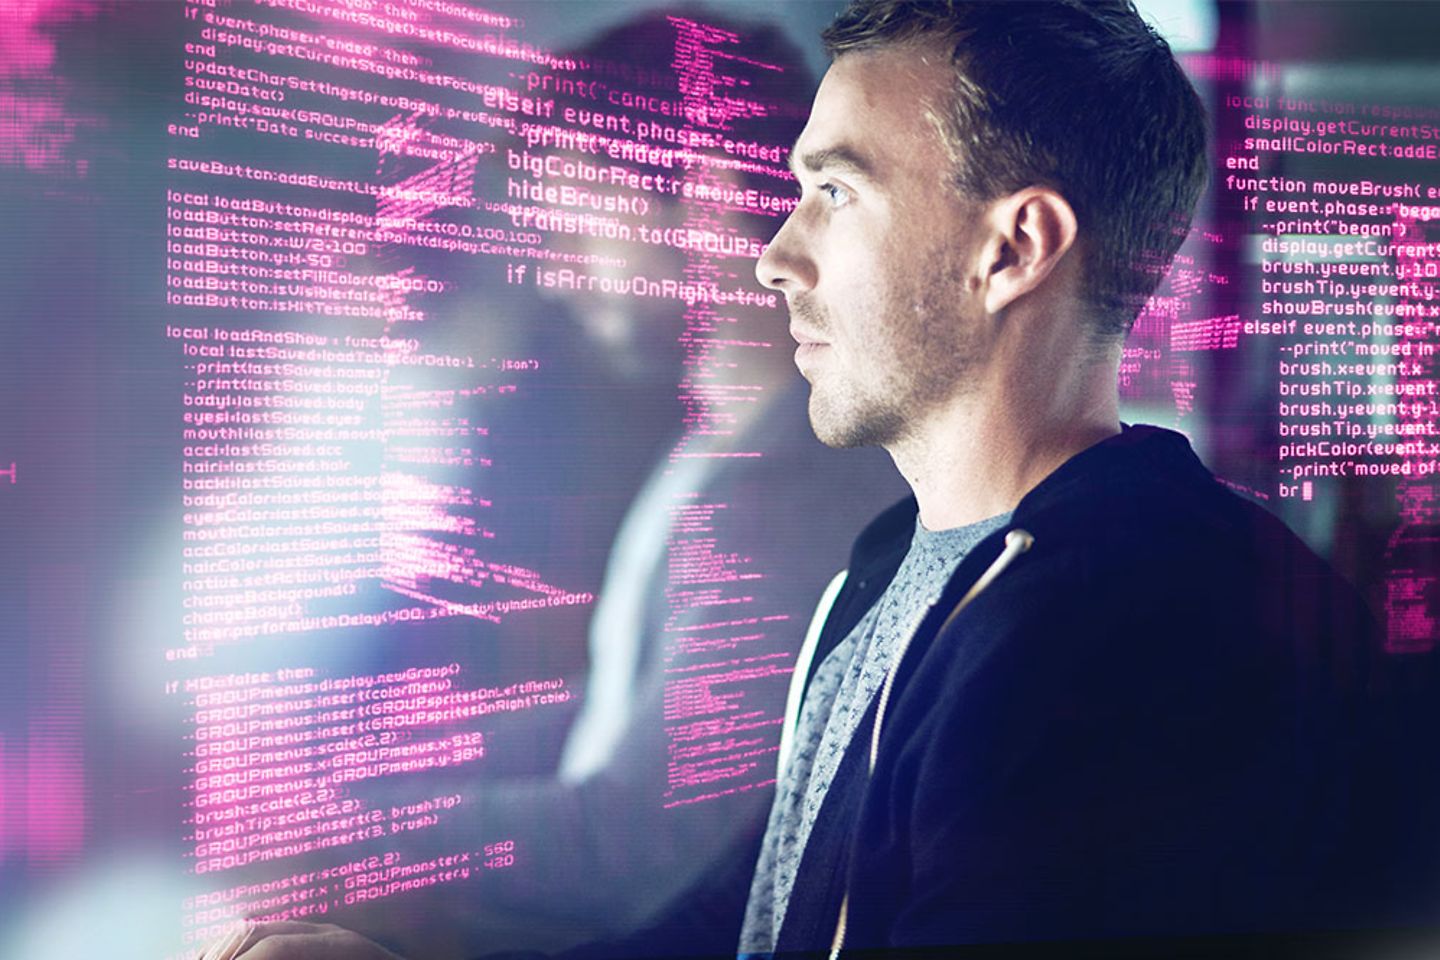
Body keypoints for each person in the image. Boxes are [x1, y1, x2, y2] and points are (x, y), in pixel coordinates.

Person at [207, 1, 1434, 957]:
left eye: (835, 193)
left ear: (1012, 248)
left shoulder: (1136, 626)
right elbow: (736, 923)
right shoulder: (894, 566)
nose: (773, 258)